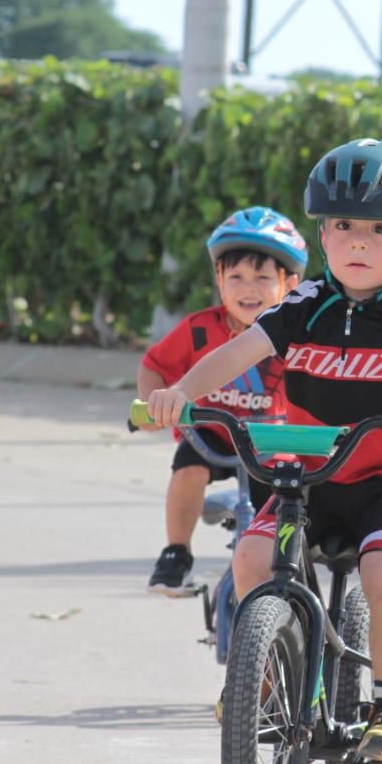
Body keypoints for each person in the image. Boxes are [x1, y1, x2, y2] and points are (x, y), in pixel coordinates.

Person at [144, 138, 382, 764]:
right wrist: (181, 392)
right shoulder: (304, 303)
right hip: (307, 480)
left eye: (379, 229)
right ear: (322, 236)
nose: (358, 243)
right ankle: (272, 672)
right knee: (250, 556)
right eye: (343, 226)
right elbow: (236, 353)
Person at [136, 206, 308, 596]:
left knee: (284, 504)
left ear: (289, 284)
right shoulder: (199, 330)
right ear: (219, 280)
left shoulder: (299, 336)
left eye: (262, 278)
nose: (248, 289)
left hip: (272, 441)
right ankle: (176, 554)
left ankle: (284, 576)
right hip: (211, 435)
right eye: (236, 277)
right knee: (188, 469)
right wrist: (150, 405)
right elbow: (154, 366)